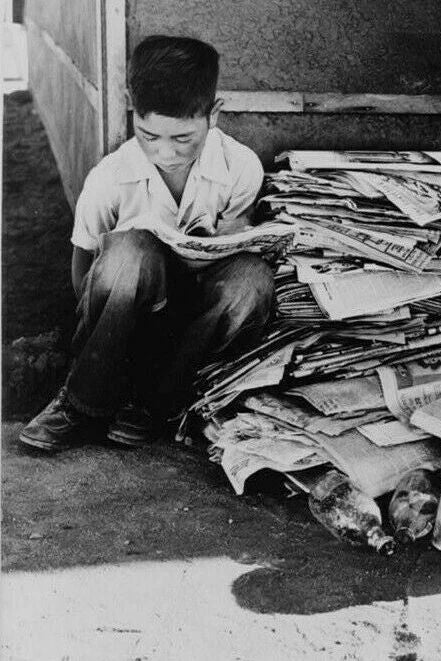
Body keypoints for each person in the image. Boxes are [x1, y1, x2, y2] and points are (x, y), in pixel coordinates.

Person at [19, 36, 273, 452]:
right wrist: (105, 313)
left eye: (183, 139)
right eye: (148, 134)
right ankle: (81, 402)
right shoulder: (110, 177)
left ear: (214, 113)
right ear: (130, 106)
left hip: (193, 324)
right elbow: (83, 264)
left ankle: (152, 404)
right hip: (123, 319)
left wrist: (234, 235)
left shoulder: (240, 168)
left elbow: (235, 254)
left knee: (254, 279)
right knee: (128, 253)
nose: (164, 152)